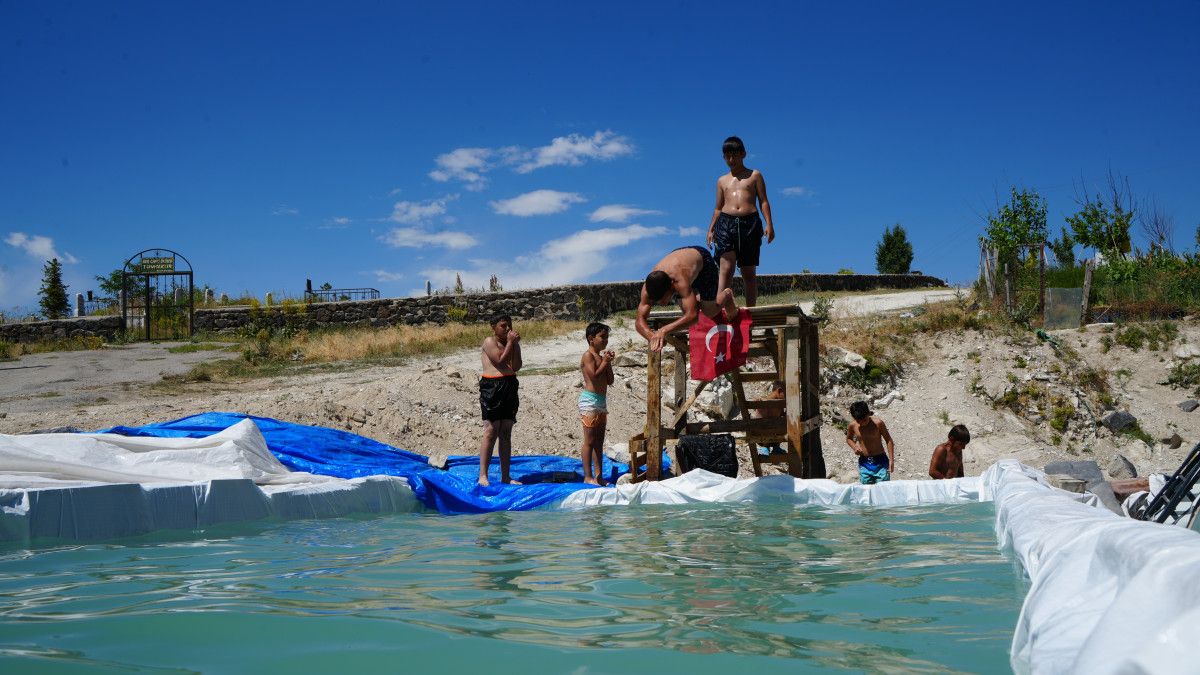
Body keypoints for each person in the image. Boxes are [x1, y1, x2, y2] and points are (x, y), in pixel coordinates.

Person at [707, 136, 775, 307]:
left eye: (735, 155)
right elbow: (718, 207)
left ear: (743, 154)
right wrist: (711, 229)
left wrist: (769, 224)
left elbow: (763, 201)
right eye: (727, 156)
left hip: (749, 224)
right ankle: (719, 310)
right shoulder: (722, 180)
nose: (731, 160)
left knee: (748, 272)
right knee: (726, 269)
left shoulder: (754, 175)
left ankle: (751, 312)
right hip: (726, 224)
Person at [636, 246, 739, 352]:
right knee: (686, 312)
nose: (661, 303)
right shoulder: (647, 289)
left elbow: (693, 316)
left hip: (703, 262)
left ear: (671, 286)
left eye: (662, 299)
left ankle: (727, 294)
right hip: (681, 259)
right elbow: (639, 320)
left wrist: (664, 330)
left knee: (708, 312)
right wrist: (652, 337)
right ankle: (696, 300)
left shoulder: (679, 281)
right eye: (656, 301)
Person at [478, 314, 522, 486]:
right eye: (503, 326)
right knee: (491, 430)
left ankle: (505, 476)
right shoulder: (490, 342)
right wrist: (511, 343)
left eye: (509, 325)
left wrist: (515, 345)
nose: (508, 329)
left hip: (509, 385)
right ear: (493, 327)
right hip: (492, 387)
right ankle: (483, 475)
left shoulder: (511, 343)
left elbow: (516, 366)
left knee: (506, 432)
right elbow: (500, 361)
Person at [579, 322, 615, 486]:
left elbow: (610, 380)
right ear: (591, 339)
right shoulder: (588, 356)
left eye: (607, 337)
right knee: (590, 440)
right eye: (602, 337)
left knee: (599, 441)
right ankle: (588, 476)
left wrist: (608, 362)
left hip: (601, 401)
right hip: (590, 401)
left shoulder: (601, 357)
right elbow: (593, 376)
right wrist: (605, 362)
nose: (605, 340)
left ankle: (599, 476)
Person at [845, 401, 895, 484]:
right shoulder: (853, 425)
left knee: (882, 489)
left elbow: (888, 440)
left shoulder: (878, 423)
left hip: (881, 462)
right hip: (865, 463)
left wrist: (891, 460)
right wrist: (854, 447)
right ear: (854, 418)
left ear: (868, 414)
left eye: (864, 420)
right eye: (858, 421)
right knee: (866, 491)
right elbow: (849, 439)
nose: (862, 423)